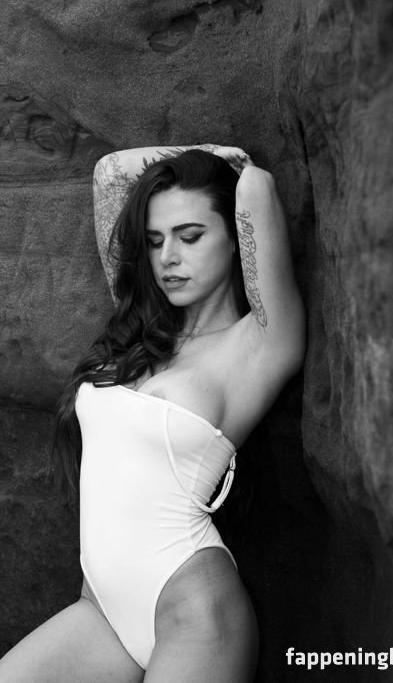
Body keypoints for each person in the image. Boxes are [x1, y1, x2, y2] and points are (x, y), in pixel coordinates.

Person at [0, 143, 305, 683]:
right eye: (156, 240)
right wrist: (190, 173)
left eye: (191, 236)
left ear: (235, 238)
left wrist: (232, 165)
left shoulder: (259, 343)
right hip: (101, 612)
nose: (168, 258)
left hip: (194, 613)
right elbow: (111, 173)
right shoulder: (140, 335)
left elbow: (257, 187)